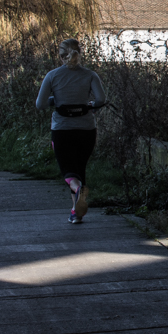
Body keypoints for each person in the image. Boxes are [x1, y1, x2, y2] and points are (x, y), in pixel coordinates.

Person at [35, 38, 107, 224]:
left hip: (62, 129)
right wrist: (89, 104)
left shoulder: (52, 75)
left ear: (60, 56)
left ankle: (77, 190)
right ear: (80, 53)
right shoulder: (90, 75)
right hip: (86, 129)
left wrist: (54, 100)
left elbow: (40, 104)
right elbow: (101, 99)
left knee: (69, 172)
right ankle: (76, 213)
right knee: (78, 168)